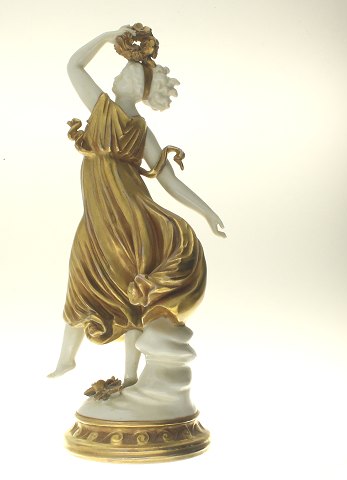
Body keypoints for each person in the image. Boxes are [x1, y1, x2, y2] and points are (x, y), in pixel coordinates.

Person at [48, 25, 225, 387]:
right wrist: (106, 35)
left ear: (135, 85)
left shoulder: (136, 129)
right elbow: (73, 66)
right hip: (97, 217)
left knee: (130, 292)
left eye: (125, 72)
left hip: (128, 217)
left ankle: (130, 378)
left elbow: (169, 181)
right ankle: (66, 359)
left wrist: (206, 211)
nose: (118, 75)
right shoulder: (102, 108)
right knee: (81, 278)